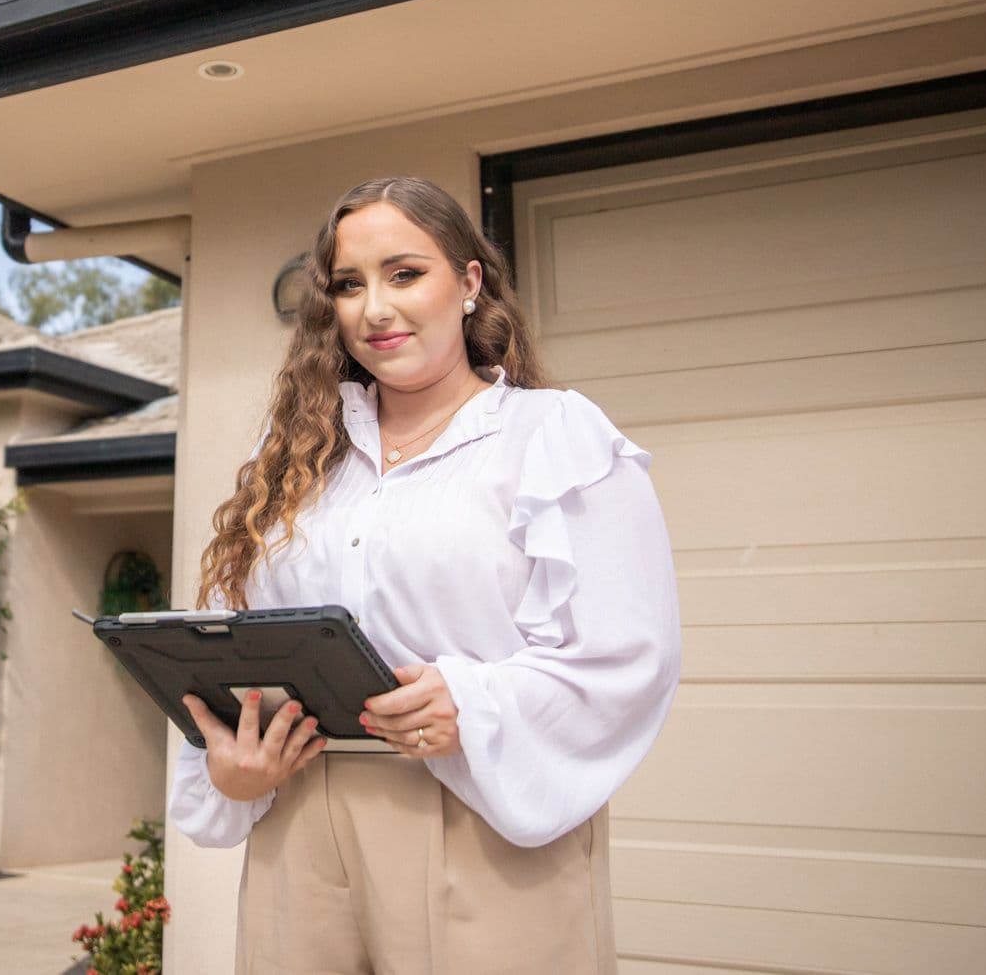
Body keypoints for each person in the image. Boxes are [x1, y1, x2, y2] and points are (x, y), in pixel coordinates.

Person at [169, 175, 682, 975]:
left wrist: (467, 701)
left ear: (469, 282)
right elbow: (244, 649)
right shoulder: (301, 462)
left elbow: (629, 654)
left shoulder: (553, 437)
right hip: (300, 820)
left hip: (483, 818)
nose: (374, 307)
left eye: (404, 273)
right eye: (348, 283)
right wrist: (229, 763)